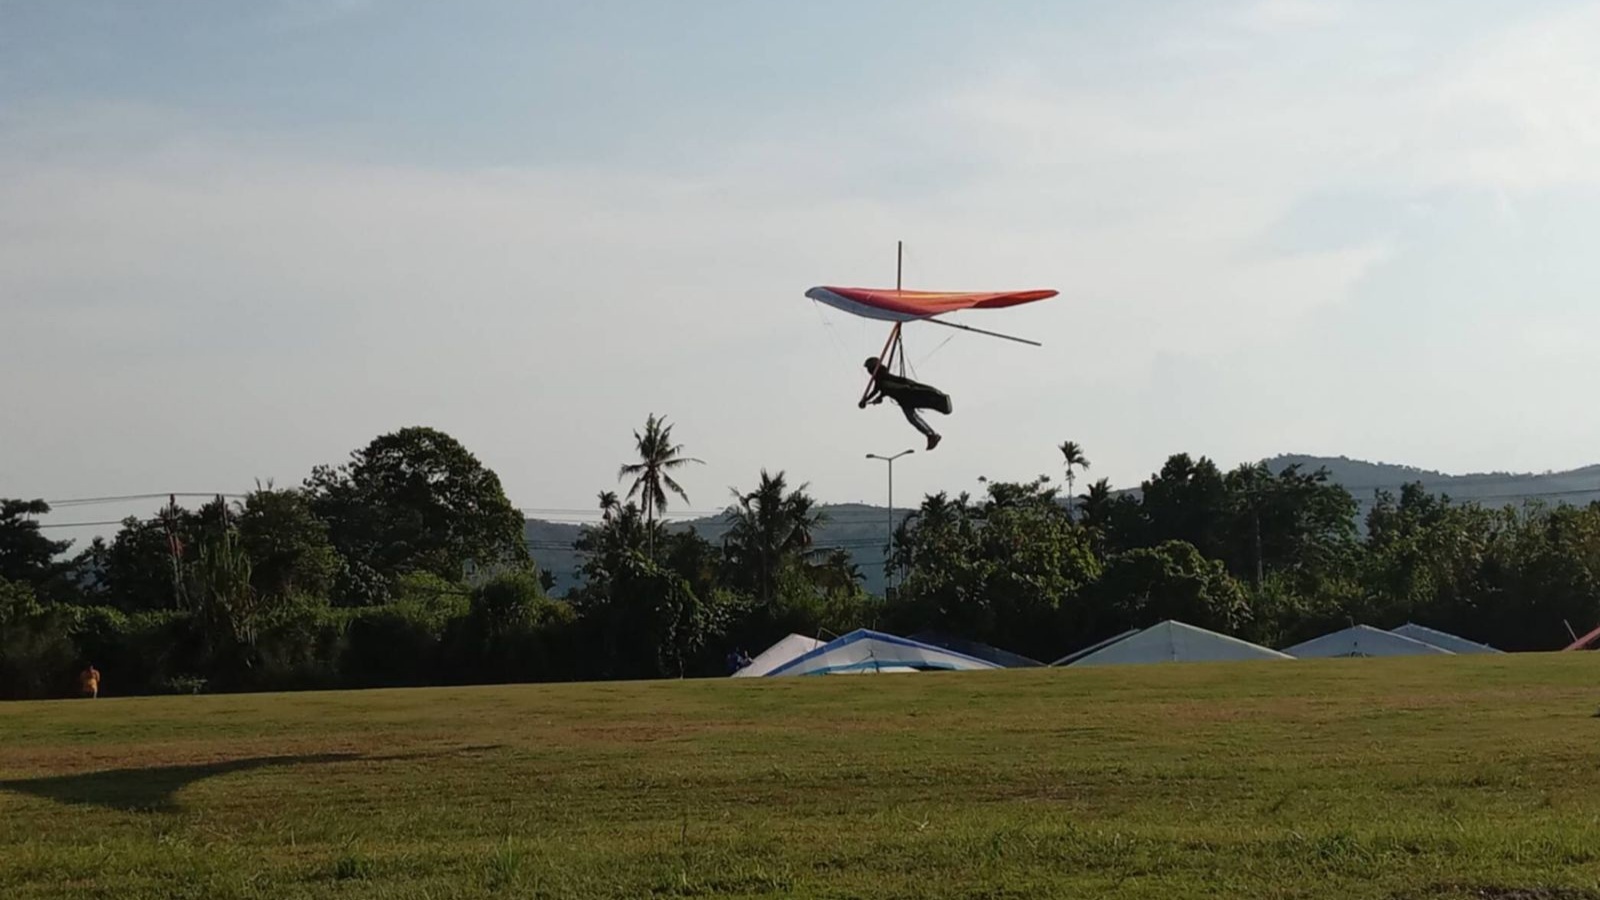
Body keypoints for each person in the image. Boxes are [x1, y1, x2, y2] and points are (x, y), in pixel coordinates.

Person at [858, 357, 951, 450]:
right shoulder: (881, 379)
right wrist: (876, 398)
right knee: (912, 418)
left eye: (869, 369)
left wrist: (865, 400)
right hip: (904, 400)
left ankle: (932, 434)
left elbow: (879, 389)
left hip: (908, 394)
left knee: (917, 412)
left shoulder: (882, 376)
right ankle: (931, 435)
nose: (868, 371)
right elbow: (884, 389)